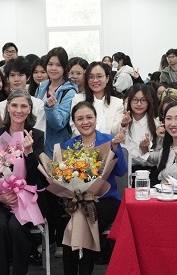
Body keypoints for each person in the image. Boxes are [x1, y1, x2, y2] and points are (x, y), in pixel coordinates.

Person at [0, 90, 46, 275]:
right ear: (8, 108)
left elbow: (38, 176)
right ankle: (2, 270)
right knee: (0, 226)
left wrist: (28, 153)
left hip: (28, 197)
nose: (19, 110)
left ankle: (20, 271)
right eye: (14, 105)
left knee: (16, 227)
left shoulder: (37, 135)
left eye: (24, 106)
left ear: (29, 110)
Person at [62, 101, 127, 275]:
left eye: (89, 117)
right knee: (78, 222)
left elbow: (121, 171)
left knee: (83, 222)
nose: (85, 122)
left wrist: (115, 148)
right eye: (80, 118)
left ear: (96, 119)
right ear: (74, 122)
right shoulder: (69, 145)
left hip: (106, 199)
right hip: (78, 201)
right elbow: (62, 178)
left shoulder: (108, 140)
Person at [33, 47, 77, 258]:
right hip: (39, 148)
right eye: (50, 64)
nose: (53, 68)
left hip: (59, 151)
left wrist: (51, 108)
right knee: (42, 196)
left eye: (58, 64)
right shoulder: (41, 86)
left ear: (65, 68)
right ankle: (47, 240)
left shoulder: (70, 90)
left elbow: (60, 122)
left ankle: (61, 242)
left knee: (59, 198)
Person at [70, 62, 124, 136]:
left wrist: (123, 123)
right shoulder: (78, 99)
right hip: (83, 145)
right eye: (91, 77)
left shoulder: (117, 102)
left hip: (108, 145)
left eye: (99, 76)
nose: (95, 80)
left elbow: (114, 131)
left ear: (107, 78)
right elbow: (74, 126)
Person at [0, 56, 46, 132]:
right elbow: (0, 133)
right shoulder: (0, 107)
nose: (16, 79)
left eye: (20, 75)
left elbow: (40, 132)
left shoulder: (39, 104)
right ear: (8, 78)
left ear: (27, 77)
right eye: (12, 75)